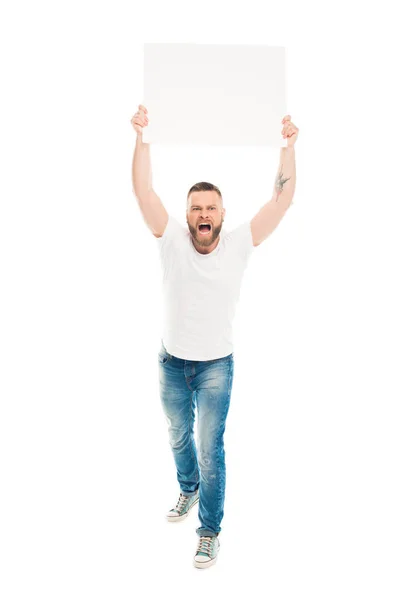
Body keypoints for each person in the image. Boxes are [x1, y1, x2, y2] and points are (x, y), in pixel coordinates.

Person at [131, 104, 299, 569]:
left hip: (215, 368)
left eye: (211, 208)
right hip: (170, 363)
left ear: (222, 214)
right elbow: (143, 190)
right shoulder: (170, 240)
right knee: (178, 436)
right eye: (195, 208)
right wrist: (142, 137)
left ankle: (209, 530)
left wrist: (288, 147)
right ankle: (187, 490)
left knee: (210, 447)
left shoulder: (239, 243)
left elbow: (281, 201)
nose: (203, 214)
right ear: (187, 215)